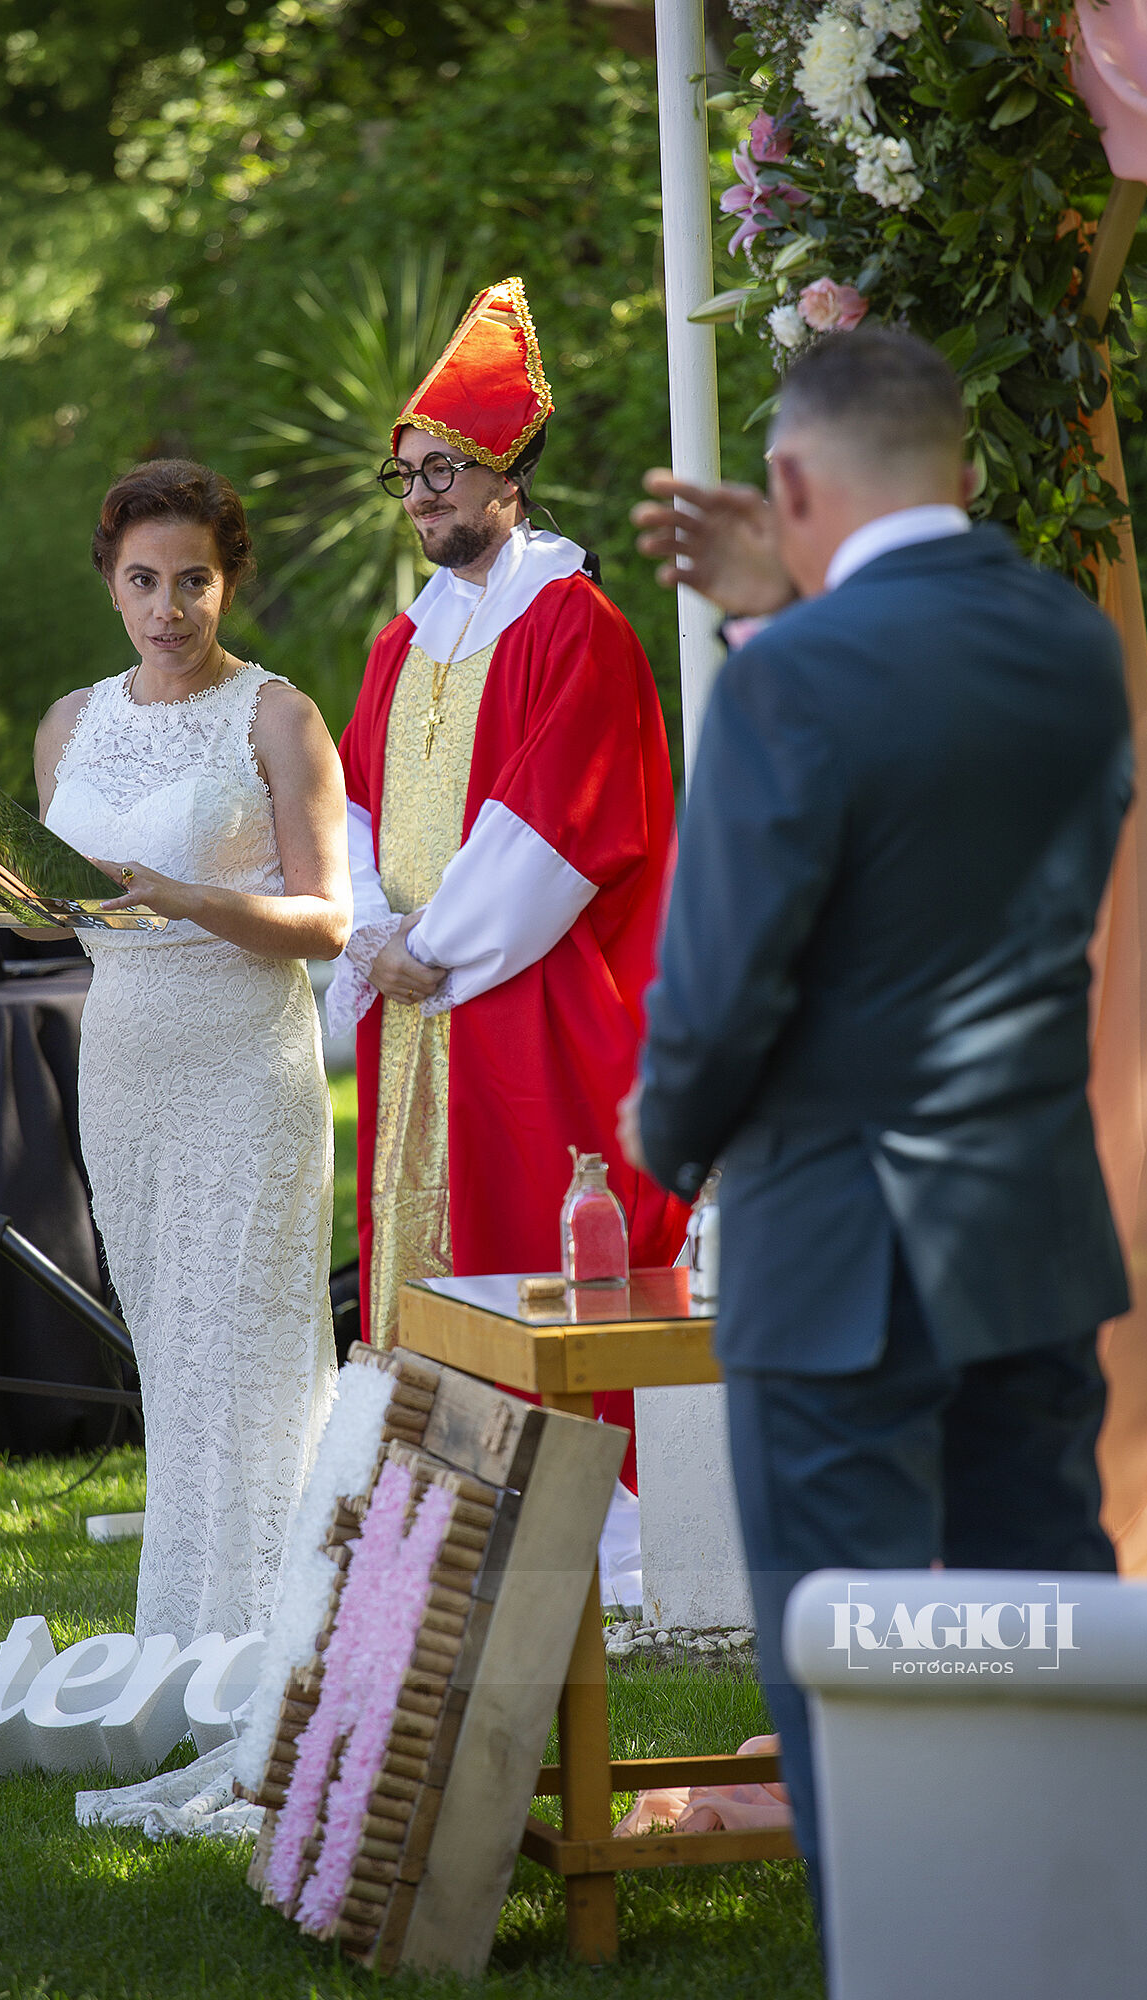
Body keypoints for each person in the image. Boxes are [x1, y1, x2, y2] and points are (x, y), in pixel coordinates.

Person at [619, 328, 1133, 1919]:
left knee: (845, 1678)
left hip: (835, 1246)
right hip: (1028, 1238)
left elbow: (716, 998)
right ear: (961, 467)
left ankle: (915, 1952)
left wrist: (660, 1135)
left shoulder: (791, 679)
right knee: (1048, 1651)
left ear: (785, 485)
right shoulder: (1065, 638)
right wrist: (791, 600)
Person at [328, 277, 684, 1517]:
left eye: (443, 471)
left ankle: (580, 1520)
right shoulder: (399, 643)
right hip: (418, 1000)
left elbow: (559, 829)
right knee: (422, 1251)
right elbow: (353, 808)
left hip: (527, 996)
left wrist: (432, 946)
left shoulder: (573, 625)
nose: (422, 496)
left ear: (504, 477)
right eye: (409, 475)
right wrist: (372, 933)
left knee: (535, 1234)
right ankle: (430, 1507)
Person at [36, 458, 350, 1645]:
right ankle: (186, 1628)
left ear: (229, 583)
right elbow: (47, 905)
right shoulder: (70, 723)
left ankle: (285, 1628)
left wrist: (185, 896)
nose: (168, 608)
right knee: (170, 1341)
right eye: (144, 581)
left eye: (193, 581)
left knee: (251, 1343)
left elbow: (328, 919)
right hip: (123, 1063)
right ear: (112, 587)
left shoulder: (278, 715)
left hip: (244, 1062)